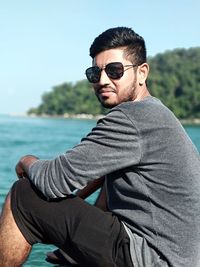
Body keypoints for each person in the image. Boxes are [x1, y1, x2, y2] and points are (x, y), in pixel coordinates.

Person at [0, 26, 200, 267]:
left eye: (115, 70)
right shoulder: (153, 114)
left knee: (24, 195)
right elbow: (105, 176)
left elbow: (53, 180)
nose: (103, 80)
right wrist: (78, 243)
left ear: (141, 73)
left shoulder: (132, 118)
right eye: (95, 73)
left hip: (153, 257)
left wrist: (27, 161)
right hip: (177, 256)